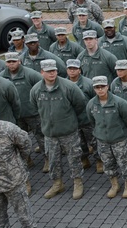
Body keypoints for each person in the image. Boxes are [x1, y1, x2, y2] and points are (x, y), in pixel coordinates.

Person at [30, 59, 88, 199]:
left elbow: (80, 104)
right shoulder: (36, 90)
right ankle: (57, 184)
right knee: (53, 160)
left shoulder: (68, 87)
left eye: (54, 71)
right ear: (42, 72)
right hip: (50, 133)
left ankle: (77, 182)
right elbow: (35, 106)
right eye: (48, 71)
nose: (52, 74)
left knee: (74, 158)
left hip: (68, 132)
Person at [86, 76, 127, 199]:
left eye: (102, 86)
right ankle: (114, 184)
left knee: (124, 162)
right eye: (97, 87)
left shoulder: (119, 102)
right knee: (108, 164)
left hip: (119, 139)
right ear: (94, 89)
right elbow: (91, 120)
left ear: (107, 86)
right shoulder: (92, 104)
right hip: (103, 140)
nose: (100, 90)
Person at [0, 52, 44, 159]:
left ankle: (47, 157)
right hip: (17, 115)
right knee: (19, 139)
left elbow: (42, 86)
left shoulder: (30, 74)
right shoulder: (1, 77)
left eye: (14, 61)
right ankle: (27, 159)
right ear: (6, 63)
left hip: (33, 113)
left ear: (19, 61)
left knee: (40, 136)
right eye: (9, 62)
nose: (11, 64)